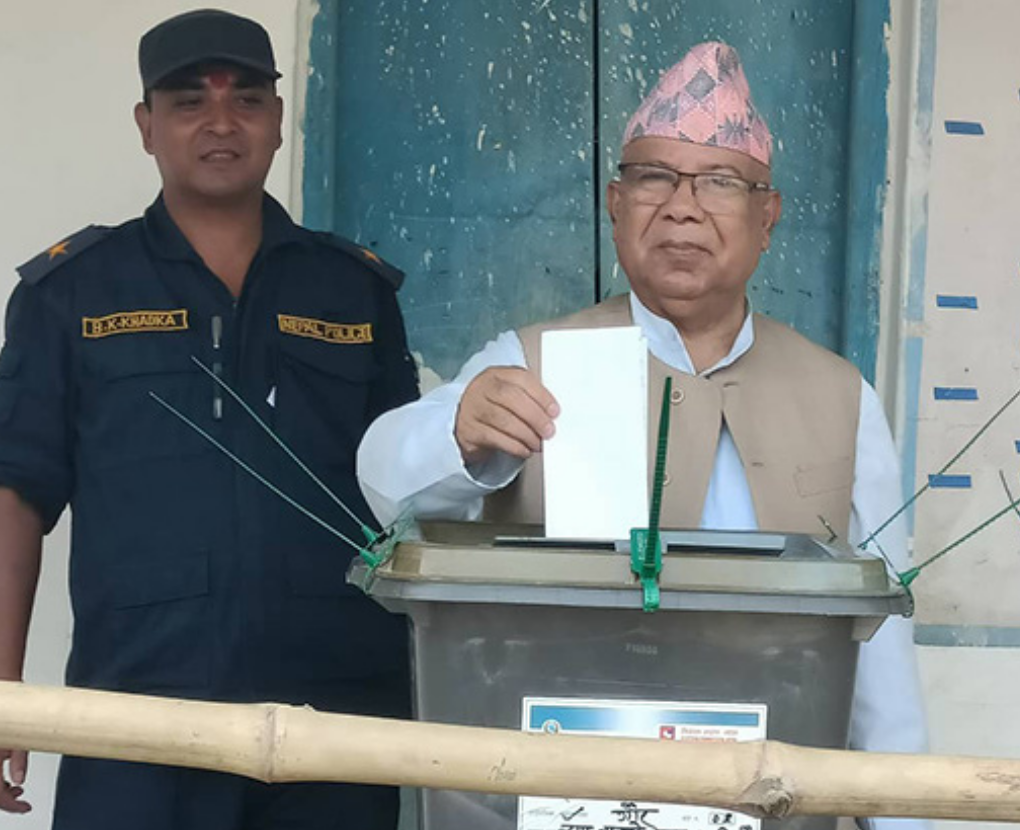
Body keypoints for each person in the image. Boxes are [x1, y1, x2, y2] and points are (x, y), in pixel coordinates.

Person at [357, 41, 928, 830]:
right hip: (557, 785)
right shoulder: (530, 362)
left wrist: (907, 817)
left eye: (720, 182)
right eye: (653, 177)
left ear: (767, 217)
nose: (682, 207)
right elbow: (384, 478)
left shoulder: (840, 396)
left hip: (766, 791)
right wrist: (460, 429)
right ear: (614, 204)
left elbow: (880, 660)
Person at [0, 9, 418, 829]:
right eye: (187, 103)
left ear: (278, 121)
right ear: (146, 126)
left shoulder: (354, 293)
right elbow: (13, 496)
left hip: (339, 715)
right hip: (135, 715)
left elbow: (415, 498)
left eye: (246, 99)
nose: (219, 123)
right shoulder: (72, 293)